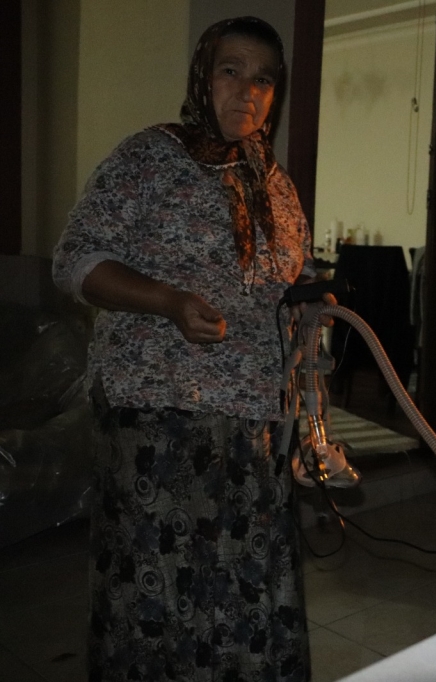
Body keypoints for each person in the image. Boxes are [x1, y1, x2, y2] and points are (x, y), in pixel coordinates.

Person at [52, 17, 318, 682]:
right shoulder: (147, 158)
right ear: (202, 76)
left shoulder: (276, 187)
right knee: (159, 590)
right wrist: (168, 301)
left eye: (264, 80)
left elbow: (291, 290)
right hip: (156, 420)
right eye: (231, 70)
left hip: (253, 427)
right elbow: (75, 261)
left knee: (243, 586)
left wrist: (310, 397)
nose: (248, 90)